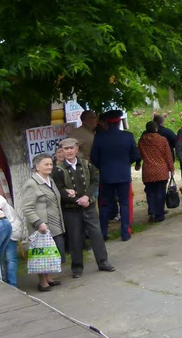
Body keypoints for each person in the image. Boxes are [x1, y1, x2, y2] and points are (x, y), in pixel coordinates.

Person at [51, 138, 115, 278]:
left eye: (71, 148)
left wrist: (87, 197)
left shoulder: (87, 164)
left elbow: (94, 180)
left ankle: (103, 262)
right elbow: (58, 189)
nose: (68, 151)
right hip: (71, 209)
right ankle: (77, 267)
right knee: (75, 237)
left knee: (96, 234)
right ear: (61, 151)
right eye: (65, 149)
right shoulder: (57, 170)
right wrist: (75, 200)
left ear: (76, 149)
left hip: (89, 206)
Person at [19, 154, 66, 291]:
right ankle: (42, 282)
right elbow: (27, 208)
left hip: (53, 224)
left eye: (51, 164)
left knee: (50, 252)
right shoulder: (31, 184)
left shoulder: (49, 180)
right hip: (41, 226)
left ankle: (49, 278)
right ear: (37, 167)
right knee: (41, 254)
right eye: (46, 164)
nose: (50, 167)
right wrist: (39, 223)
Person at [91, 110, 140, 240]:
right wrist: (125, 164)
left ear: (107, 123)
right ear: (119, 122)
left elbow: (94, 158)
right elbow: (135, 155)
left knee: (105, 205)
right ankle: (125, 233)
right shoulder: (128, 136)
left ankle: (103, 233)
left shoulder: (99, 137)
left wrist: (103, 167)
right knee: (125, 203)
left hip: (106, 176)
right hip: (123, 175)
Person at [137, 122, 174, 223]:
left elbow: (139, 154)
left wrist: (137, 164)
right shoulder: (162, 140)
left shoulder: (142, 141)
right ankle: (159, 214)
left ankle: (152, 212)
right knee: (160, 193)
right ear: (156, 129)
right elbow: (168, 155)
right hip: (161, 170)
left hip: (148, 170)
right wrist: (171, 168)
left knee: (150, 193)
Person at [0, 194, 25, 287]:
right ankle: (12, 285)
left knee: (9, 259)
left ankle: (6, 286)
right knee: (11, 259)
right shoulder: (2, 199)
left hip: (8, 226)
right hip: (12, 227)